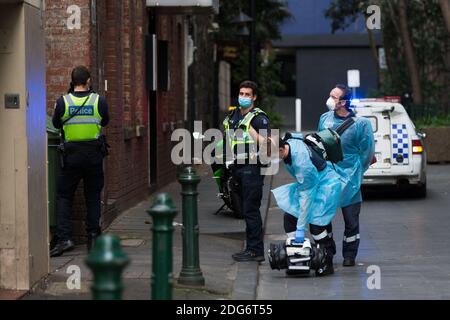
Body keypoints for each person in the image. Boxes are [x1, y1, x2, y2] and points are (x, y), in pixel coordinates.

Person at [271, 133, 355, 276]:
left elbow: (306, 197)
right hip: (312, 183)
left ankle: (326, 261)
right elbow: (296, 136)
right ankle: (297, 259)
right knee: (290, 218)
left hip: (325, 186)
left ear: (281, 149)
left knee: (316, 225)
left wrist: (300, 229)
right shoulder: (288, 142)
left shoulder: (301, 163)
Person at [50, 66, 110, 257]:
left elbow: (56, 124)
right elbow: (105, 122)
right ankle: (93, 237)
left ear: (72, 81)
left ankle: (65, 238)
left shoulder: (63, 102)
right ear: (88, 81)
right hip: (93, 155)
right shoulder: (98, 101)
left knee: (64, 196)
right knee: (92, 196)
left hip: (71, 156)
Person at [318, 84, 375, 267]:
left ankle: (349, 255)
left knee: (351, 220)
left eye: (334, 97)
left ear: (343, 102)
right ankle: (327, 249)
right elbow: (319, 145)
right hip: (328, 175)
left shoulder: (361, 125)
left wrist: (357, 173)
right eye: (330, 95)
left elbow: (367, 152)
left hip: (350, 177)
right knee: (323, 216)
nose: (329, 100)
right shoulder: (324, 119)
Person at [224, 80, 271, 262]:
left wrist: (250, 130)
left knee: (251, 210)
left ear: (254, 97)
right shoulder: (233, 115)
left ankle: (255, 251)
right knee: (244, 210)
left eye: (247, 95)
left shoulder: (259, 118)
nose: (243, 97)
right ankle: (251, 248)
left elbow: (269, 146)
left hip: (252, 168)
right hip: (237, 167)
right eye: (241, 93)